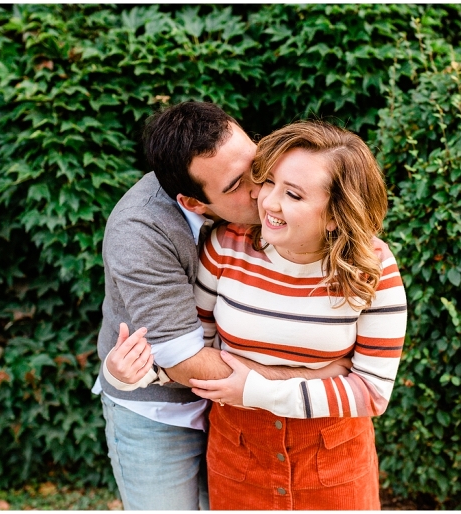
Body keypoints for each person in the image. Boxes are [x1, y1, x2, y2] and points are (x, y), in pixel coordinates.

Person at [93, 102, 351, 510]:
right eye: (236, 186)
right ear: (194, 203)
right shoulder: (139, 234)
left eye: (254, 162)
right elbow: (182, 360)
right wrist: (311, 375)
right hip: (160, 413)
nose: (260, 187)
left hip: (239, 415)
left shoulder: (268, 184)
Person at [188, 120, 408, 510]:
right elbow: (196, 354)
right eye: (269, 182)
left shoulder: (372, 268)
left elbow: (372, 393)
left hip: (333, 462)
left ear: (337, 214)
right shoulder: (225, 247)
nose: (268, 202)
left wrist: (256, 389)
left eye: (293, 194)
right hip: (238, 454)